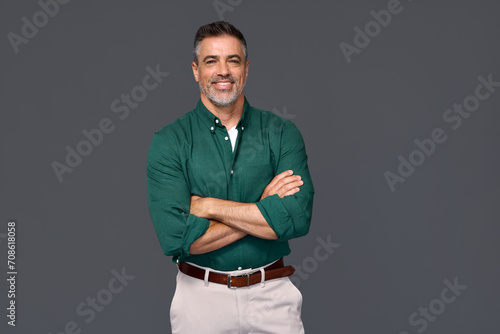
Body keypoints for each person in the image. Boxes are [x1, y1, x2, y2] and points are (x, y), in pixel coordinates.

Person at [147, 21, 314, 333]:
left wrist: (209, 206)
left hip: (273, 296)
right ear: (195, 70)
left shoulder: (282, 133)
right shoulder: (169, 141)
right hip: (199, 300)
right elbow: (178, 238)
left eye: (232, 61)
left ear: (246, 69)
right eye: (212, 61)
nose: (223, 71)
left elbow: (295, 219)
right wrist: (264, 208)